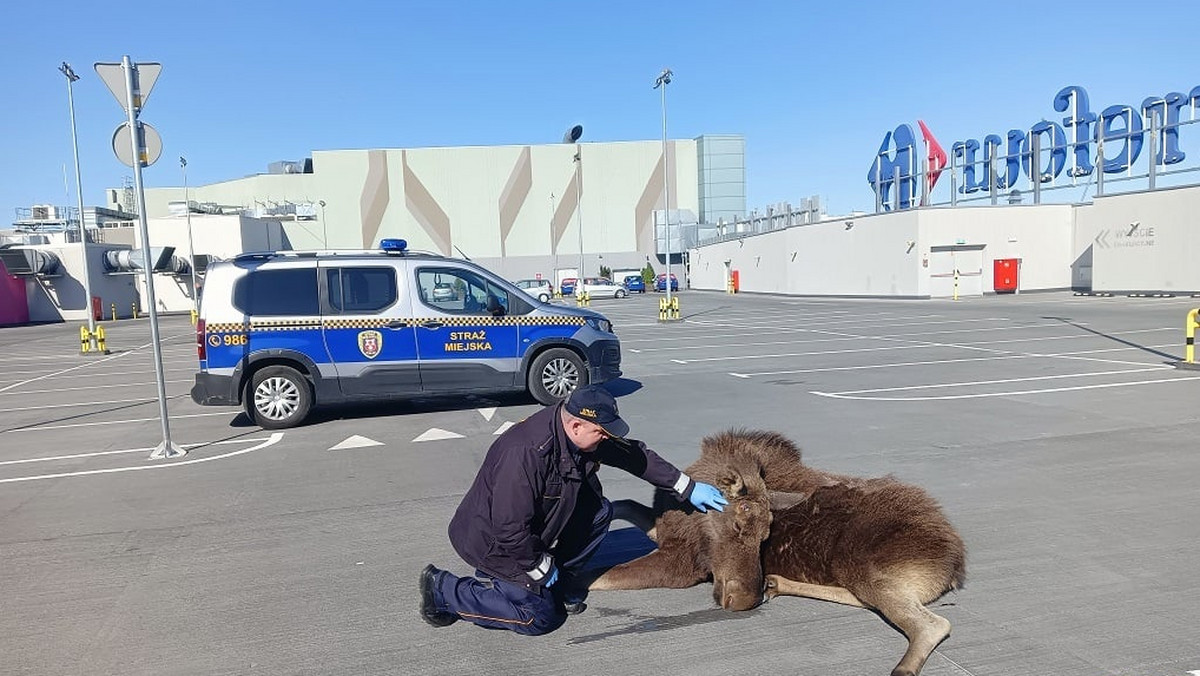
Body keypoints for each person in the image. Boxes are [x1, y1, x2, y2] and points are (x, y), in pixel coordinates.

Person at [418, 385, 728, 635]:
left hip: (529, 529)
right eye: (602, 433)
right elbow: (509, 528)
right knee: (539, 618)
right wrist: (538, 565)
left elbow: (634, 455)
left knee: (597, 512)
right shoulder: (526, 454)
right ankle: (444, 591)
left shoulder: (581, 433)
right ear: (577, 424)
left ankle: (558, 581)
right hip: (494, 543)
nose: (606, 439)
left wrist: (684, 485)